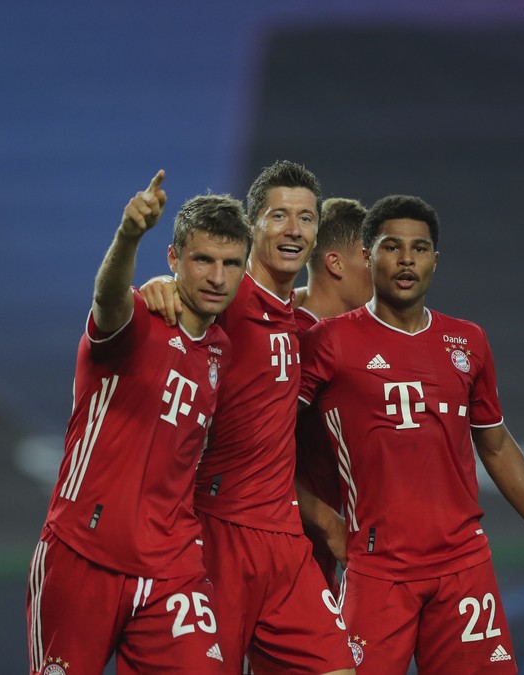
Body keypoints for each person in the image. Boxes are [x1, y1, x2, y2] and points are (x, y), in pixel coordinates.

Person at [298, 195, 524, 674]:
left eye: (419, 249)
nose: (405, 259)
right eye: (391, 247)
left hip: (463, 565)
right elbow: (267, 442)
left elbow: (496, 443)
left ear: (434, 261)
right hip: (377, 570)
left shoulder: (468, 341)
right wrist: (326, 520)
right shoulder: (328, 343)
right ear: (368, 254)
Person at [27, 171, 253, 673]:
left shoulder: (222, 350)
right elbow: (107, 300)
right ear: (173, 259)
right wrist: (129, 236)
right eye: (203, 260)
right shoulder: (135, 321)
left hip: (171, 568)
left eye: (231, 263)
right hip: (83, 553)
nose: (217, 277)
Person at [140, 161, 356, 675]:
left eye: (305, 218)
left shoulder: (295, 316)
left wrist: (323, 519)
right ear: (252, 226)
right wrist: (159, 286)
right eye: (278, 216)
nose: (292, 229)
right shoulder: (224, 300)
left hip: (284, 538)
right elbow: (182, 292)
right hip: (216, 532)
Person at [293, 197, 373, 596]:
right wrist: (327, 521)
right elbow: (245, 454)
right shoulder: (284, 334)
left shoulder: (362, 338)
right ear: (336, 263)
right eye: (369, 256)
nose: (381, 268)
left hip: (323, 550)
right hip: (276, 546)